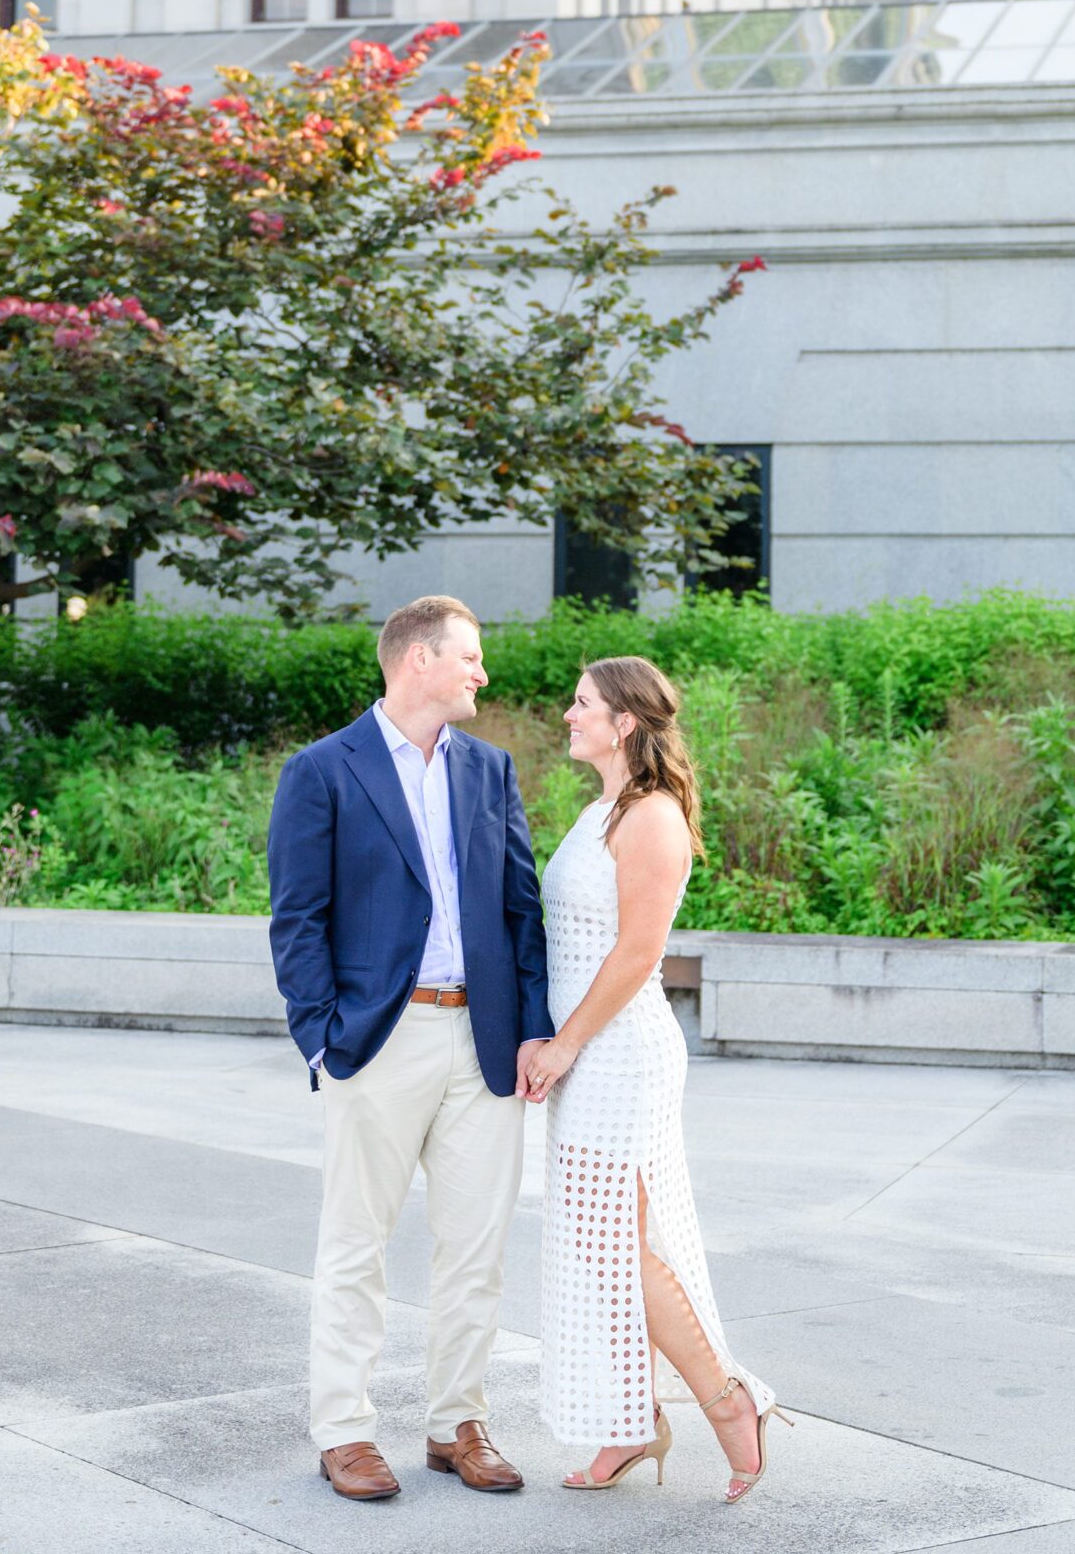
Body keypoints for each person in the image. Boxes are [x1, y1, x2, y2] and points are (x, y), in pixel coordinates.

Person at [267, 594, 554, 1503]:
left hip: (485, 1039)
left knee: (476, 1247)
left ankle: (455, 1423)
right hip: (377, 1039)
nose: (481, 673)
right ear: (418, 659)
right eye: (468, 657)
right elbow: (296, 917)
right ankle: (343, 1430)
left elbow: (520, 909)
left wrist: (534, 1026)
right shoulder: (322, 770)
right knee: (357, 1244)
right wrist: (322, 1035)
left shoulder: (488, 770)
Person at [524, 656, 789, 1501]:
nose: (568, 715)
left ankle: (727, 1402)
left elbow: (639, 953)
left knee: (623, 1251)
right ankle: (627, 1424)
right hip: (586, 1049)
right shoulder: (602, 808)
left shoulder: (650, 818)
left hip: (616, 1056)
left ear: (623, 722)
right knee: (600, 1252)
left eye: (581, 704)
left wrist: (563, 1044)